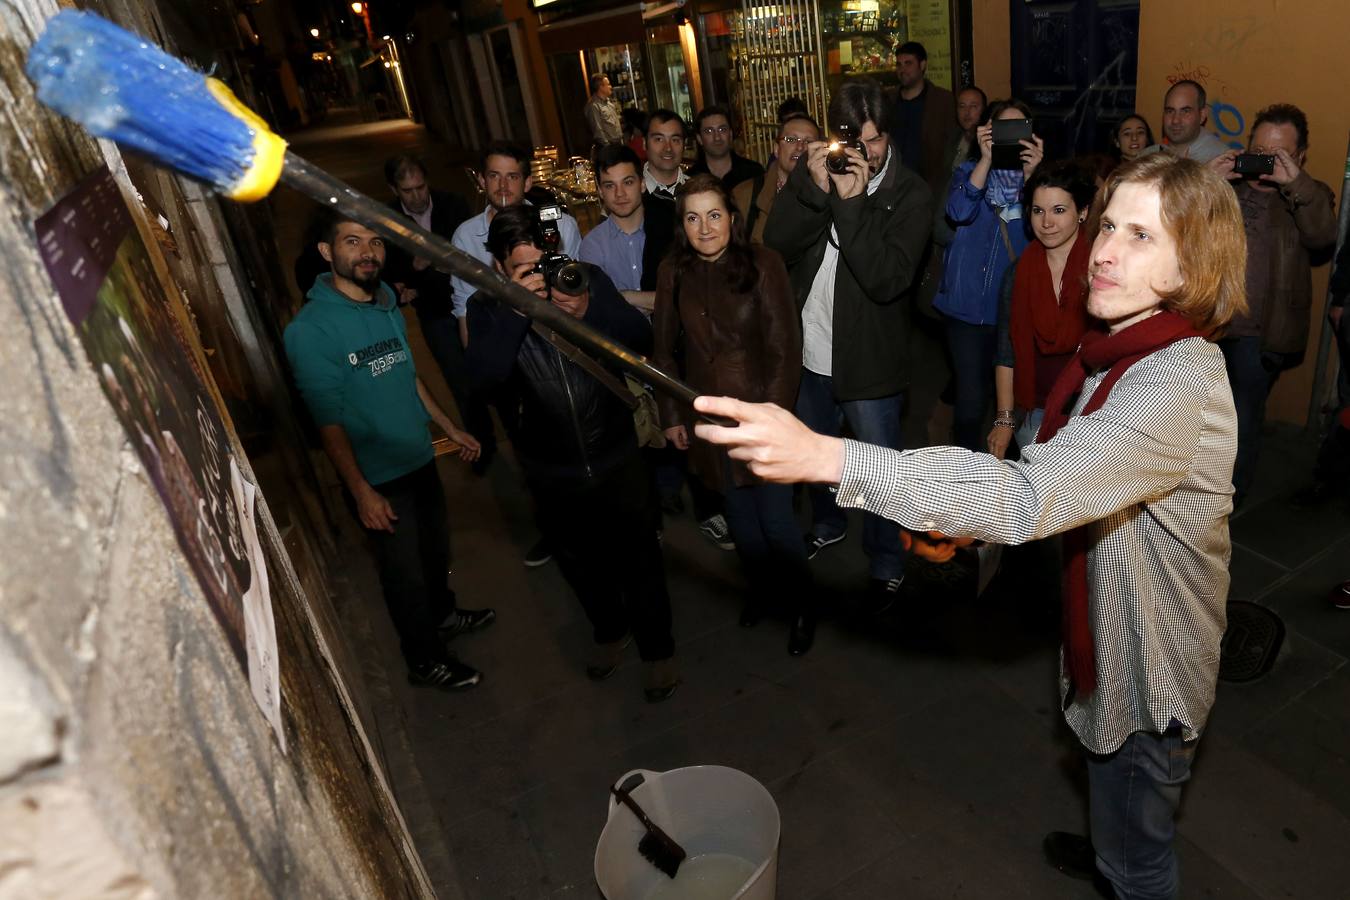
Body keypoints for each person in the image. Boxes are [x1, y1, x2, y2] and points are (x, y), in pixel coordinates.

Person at [697, 152, 1247, 900]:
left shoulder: (1173, 379)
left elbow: (1029, 497)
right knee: (1113, 794)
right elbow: (1076, 480)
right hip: (1111, 630)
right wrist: (959, 508)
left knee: (1141, 855)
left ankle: (1121, 863)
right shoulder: (1130, 346)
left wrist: (828, 456)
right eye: (1110, 225)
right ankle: (1111, 843)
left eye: (1143, 237)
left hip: (1150, 671)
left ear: (1195, 265)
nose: (1106, 251)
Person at [465, 207, 679, 702]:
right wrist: (517, 309)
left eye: (546, 263)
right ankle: (609, 632)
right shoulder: (487, 309)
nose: (542, 277)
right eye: (525, 271)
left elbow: (640, 338)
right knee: (581, 563)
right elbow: (484, 378)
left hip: (617, 453)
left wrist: (589, 311)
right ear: (500, 268)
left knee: (640, 558)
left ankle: (659, 650)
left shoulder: (586, 281)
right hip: (549, 467)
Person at [284, 213, 491, 691]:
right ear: (325, 251)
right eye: (352, 241)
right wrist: (360, 491)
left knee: (435, 553)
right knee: (405, 578)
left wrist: (448, 428)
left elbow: (406, 372)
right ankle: (423, 660)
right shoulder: (311, 330)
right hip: (377, 476)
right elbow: (326, 419)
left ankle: (444, 617)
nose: (367, 252)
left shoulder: (385, 303)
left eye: (375, 242)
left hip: (418, 458)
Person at [762, 76, 933, 610]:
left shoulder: (912, 194)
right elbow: (775, 244)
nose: (866, 151)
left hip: (870, 362)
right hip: (808, 350)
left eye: (876, 139)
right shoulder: (818, 175)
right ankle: (830, 522)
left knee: (880, 472)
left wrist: (853, 202)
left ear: (890, 136)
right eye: (854, 138)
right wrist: (810, 189)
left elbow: (885, 279)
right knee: (814, 456)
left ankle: (885, 559)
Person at [652, 175, 813, 653]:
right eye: (693, 217)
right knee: (740, 523)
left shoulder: (764, 264)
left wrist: (776, 423)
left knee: (778, 523)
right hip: (708, 421)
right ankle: (764, 591)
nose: (705, 228)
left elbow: (786, 350)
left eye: (715, 215)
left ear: (732, 218)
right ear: (682, 224)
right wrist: (671, 415)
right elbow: (663, 351)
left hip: (762, 417)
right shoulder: (672, 271)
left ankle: (803, 605)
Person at [1207, 103, 1337, 507]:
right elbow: (1175, 226)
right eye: (1258, 149)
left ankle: (1230, 496)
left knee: (1242, 419)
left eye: (1277, 154)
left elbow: (1322, 237)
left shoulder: (1308, 196)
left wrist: (1294, 183)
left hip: (1259, 336)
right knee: (1202, 417)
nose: (1264, 162)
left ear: (1298, 157)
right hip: (1208, 324)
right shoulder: (1226, 189)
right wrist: (1202, 181)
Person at [935, 98, 1044, 451]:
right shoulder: (969, 171)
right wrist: (984, 159)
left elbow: (1046, 232)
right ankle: (965, 467)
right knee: (970, 399)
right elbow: (957, 210)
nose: (1011, 140)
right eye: (1003, 130)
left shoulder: (1040, 185)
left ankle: (1009, 475)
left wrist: (1033, 179)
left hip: (1014, 310)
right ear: (988, 133)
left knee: (1011, 400)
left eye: (1019, 130)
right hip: (966, 307)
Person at [379, 154, 496, 472]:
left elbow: (473, 252)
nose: (417, 197)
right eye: (408, 191)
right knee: (460, 381)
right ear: (394, 189)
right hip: (434, 314)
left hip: (474, 305)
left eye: (420, 187)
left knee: (494, 372)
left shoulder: (453, 204)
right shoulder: (387, 220)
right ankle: (482, 445)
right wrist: (415, 270)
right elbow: (389, 272)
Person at [988, 160, 1097, 460]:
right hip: (1034, 412)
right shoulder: (1018, 273)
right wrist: (1004, 419)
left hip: (1092, 410)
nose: (1046, 222)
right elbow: (1006, 351)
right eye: (1038, 211)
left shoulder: (1101, 268)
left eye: (1059, 210)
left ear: (1083, 212)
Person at [451, 141, 583, 344]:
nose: (503, 186)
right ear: (482, 181)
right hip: (503, 341)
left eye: (512, 177)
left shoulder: (562, 226)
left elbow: (576, 292)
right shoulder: (465, 237)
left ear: (528, 182)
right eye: (494, 176)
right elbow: (465, 310)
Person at [580, 145, 677, 314]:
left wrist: (625, 296)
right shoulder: (592, 245)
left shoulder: (670, 229)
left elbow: (686, 298)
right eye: (610, 185)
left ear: (642, 184)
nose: (620, 193)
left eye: (628, 182)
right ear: (600, 191)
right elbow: (603, 310)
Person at [731, 113, 821, 244]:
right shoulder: (744, 195)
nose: (800, 147)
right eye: (791, 140)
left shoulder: (829, 195)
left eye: (808, 142)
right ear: (776, 149)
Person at [890, 41, 958, 197]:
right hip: (894, 186)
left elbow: (951, 143)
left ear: (922, 65)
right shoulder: (888, 100)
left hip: (930, 186)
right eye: (899, 65)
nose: (902, 70)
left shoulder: (942, 101)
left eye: (908, 64)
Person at [1142, 80, 1227, 163]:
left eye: (1185, 111)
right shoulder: (1146, 158)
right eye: (1170, 111)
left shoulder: (1221, 161)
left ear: (1202, 115)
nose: (1175, 120)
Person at [688, 104, 765, 194]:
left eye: (722, 129)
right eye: (709, 131)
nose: (717, 137)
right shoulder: (690, 179)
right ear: (699, 139)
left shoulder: (754, 173)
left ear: (731, 134)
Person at [643, 109, 689, 200]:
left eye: (675, 140)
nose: (668, 148)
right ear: (644, 143)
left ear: (684, 144)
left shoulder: (698, 191)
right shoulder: (630, 195)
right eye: (659, 139)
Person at [584, 73, 623, 148]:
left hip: (618, 144)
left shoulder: (609, 103)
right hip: (609, 147)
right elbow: (598, 131)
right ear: (601, 87)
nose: (610, 87)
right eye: (608, 84)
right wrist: (608, 147)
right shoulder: (593, 106)